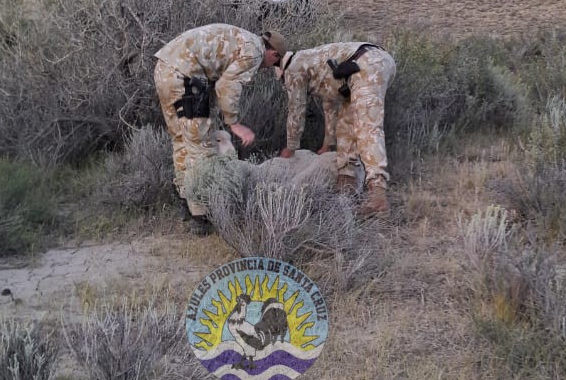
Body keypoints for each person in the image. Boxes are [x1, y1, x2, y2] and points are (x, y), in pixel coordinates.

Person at [154, 24, 286, 232]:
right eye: (273, 63)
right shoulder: (254, 52)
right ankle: (202, 216)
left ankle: (185, 199)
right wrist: (234, 123)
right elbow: (228, 86)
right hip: (186, 78)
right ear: (273, 53)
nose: (268, 68)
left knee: (181, 139)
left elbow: (217, 81)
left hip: (165, 69)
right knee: (203, 144)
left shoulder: (244, 38)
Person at [277, 40, 396, 216]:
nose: (285, 84)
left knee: (367, 128)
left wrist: (290, 147)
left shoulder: (292, 68)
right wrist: (327, 144)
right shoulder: (311, 63)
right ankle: (346, 186)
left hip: (367, 64)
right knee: (345, 126)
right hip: (368, 65)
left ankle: (377, 193)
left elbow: (296, 109)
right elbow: (330, 109)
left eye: (282, 80)